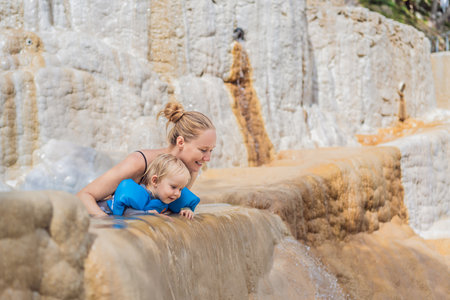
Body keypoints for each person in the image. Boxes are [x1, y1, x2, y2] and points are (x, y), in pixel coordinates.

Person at [77, 101, 216, 217]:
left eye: (211, 150)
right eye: (203, 150)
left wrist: (186, 209)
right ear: (181, 142)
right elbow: (83, 196)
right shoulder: (139, 163)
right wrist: (109, 224)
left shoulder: (190, 168)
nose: (208, 158)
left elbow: (168, 207)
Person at [100, 154, 200, 219]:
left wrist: (186, 209)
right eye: (173, 187)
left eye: (181, 189)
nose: (178, 193)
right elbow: (124, 213)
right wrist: (148, 214)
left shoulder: (164, 198)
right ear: (155, 181)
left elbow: (177, 207)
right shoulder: (140, 195)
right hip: (102, 210)